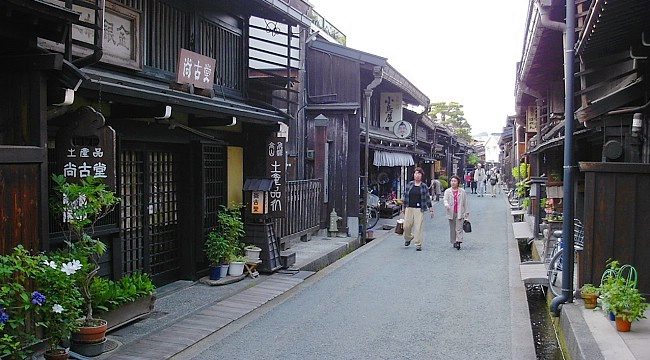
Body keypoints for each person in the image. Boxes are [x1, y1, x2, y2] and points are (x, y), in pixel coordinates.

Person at [401, 167, 434, 251]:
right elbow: (405, 196)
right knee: (406, 226)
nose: (417, 175)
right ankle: (409, 237)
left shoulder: (424, 186)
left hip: (419, 209)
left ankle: (418, 244)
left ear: (422, 175)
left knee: (418, 226)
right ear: (413, 175)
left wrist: (431, 209)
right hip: (409, 207)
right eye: (416, 173)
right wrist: (403, 208)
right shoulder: (410, 184)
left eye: (419, 174)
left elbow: (427, 198)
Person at [443, 175, 470, 250]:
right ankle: (454, 241)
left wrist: (466, 212)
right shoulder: (447, 191)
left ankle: (458, 241)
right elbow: (445, 200)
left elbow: (465, 202)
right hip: (451, 211)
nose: (453, 183)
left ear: (458, 182)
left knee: (459, 227)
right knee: (452, 228)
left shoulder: (462, 191)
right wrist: (446, 205)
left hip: (459, 211)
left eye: (455, 181)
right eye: (452, 181)